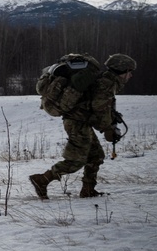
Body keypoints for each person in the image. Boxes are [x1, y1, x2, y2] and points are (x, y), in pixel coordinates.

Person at [30, 53, 136, 199]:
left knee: (96, 156)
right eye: (129, 72)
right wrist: (107, 129)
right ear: (122, 71)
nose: (130, 76)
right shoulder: (107, 83)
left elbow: (98, 106)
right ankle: (42, 180)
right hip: (76, 122)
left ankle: (88, 190)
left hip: (80, 121)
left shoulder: (106, 81)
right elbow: (99, 108)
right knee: (76, 160)